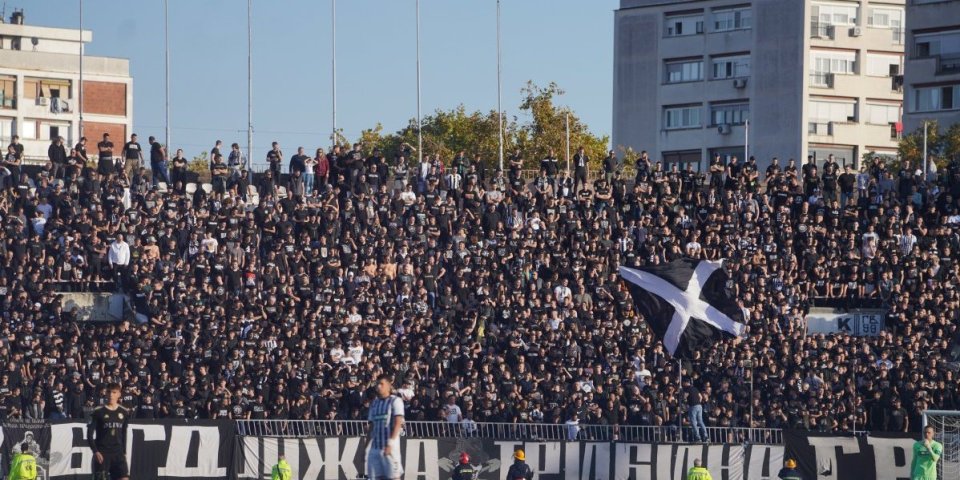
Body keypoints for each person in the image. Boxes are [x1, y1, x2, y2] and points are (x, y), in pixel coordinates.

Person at [87, 383, 130, 480]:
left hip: (118, 453)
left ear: (119, 394)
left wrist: (124, 451)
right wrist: (95, 451)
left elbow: (124, 433)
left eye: (114, 392)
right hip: (103, 453)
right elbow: (89, 434)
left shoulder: (124, 412)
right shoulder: (98, 411)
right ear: (105, 393)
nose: (111, 395)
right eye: (109, 392)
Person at [367, 374, 404, 480]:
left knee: (393, 478)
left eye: (381, 384)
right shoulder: (374, 404)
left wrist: (390, 444)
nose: (378, 386)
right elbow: (371, 427)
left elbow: (398, 423)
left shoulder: (395, 401)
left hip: (390, 449)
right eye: (377, 384)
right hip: (375, 449)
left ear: (388, 385)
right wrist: (365, 448)